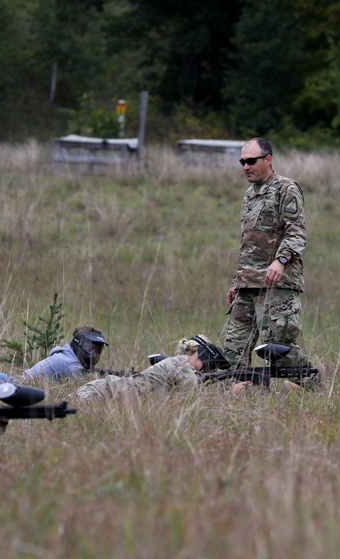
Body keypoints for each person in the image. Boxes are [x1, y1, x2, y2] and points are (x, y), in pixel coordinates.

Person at [222, 137, 318, 387]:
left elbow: (296, 232)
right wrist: (236, 282)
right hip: (247, 285)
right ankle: (241, 404)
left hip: (277, 284)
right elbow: (249, 244)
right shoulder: (248, 196)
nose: (245, 166)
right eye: (242, 162)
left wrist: (280, 260)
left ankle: (316, 389)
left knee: (277, 350)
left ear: (268, 159)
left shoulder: (286, 189)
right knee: (232, 353)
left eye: (251, 161)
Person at [76, 334, 251, 401]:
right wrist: (230, 395)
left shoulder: (178, 362)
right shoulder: (185, 370)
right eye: (209, 366)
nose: (208, 371)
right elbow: (189, 407)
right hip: (99, 395)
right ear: (204, 355)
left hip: (99, 390)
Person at [0, 325, 108, 385]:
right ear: (79, 344)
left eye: (98, 350)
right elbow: (81, 393)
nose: (95, 354)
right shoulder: (72, 365)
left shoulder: (65, 354)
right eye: (92, 348)